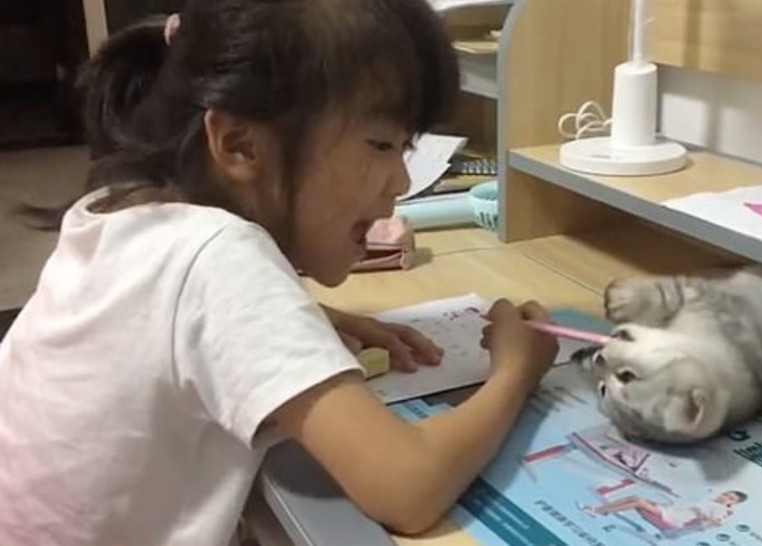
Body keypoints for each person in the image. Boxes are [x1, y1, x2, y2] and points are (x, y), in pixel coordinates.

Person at [0, 1, 560, 545]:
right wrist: (516, 370)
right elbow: (405, 487)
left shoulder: (118, 208)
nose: (402, 182)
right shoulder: (221, 256)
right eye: (381, 145)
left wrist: (305, 317)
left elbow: (152, 328)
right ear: (240, 145)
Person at [581, 490, 749, 535]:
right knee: (635, 497)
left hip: (673, 519)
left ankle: (597, 510)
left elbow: (719, 521)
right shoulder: (710, 501)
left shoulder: (720, 509)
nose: (725, 497)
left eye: (730, 498)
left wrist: (712, 518)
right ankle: (603, 511)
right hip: (670, 511)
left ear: (733, 503)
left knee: (637, 502)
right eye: (726, 494)